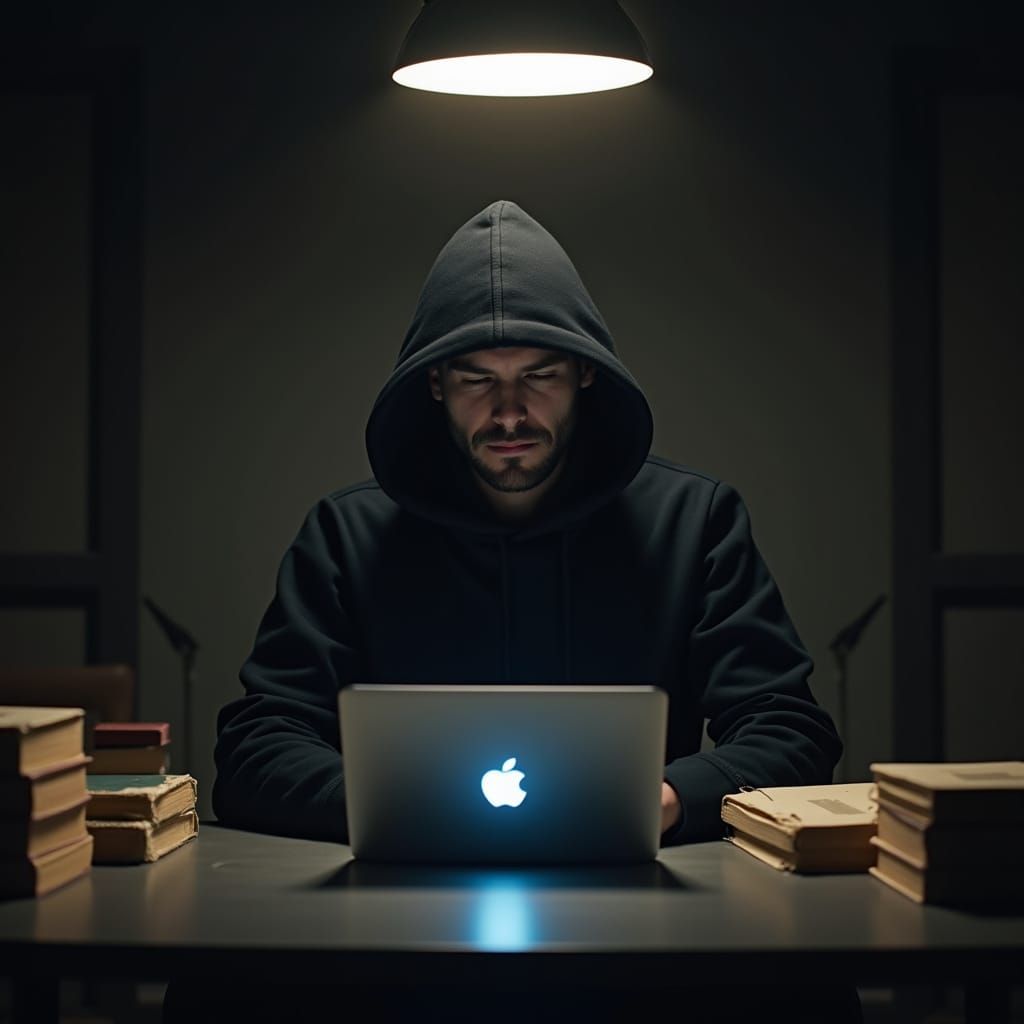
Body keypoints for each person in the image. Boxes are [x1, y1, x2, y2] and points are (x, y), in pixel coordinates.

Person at [164, 200, 859, 1023]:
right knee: (215, 988)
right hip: (397, 921)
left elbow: (789, 730)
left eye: (538, 376)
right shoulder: (346, 534)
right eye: (476, 380)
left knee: (809, 990)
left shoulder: (695, 520)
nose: (508, 413)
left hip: (638, 919)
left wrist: (665, 799)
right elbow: (255, 746)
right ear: (433, 384)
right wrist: (396, 807)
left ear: (585, 374)